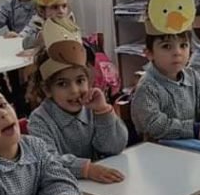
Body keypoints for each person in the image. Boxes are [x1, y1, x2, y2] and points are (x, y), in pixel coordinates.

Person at [28, 17, 127, 183]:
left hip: (98, 186)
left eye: (80, 81)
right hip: (62, 187)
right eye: (62, 84)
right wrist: (86, 169)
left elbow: (115, 148)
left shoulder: (92, 107)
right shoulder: (39, 120)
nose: (74, 90)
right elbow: (47, 161)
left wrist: (103, 111)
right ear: (47, 90)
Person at [130, 0, 200, 141]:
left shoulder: (193, 76)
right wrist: (194, 130)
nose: (177, 52)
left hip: (191, 147)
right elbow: (154, 124)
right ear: (149, 53)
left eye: (183, 45)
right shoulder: (147, 87)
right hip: (159, 149)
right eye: (166, 46)